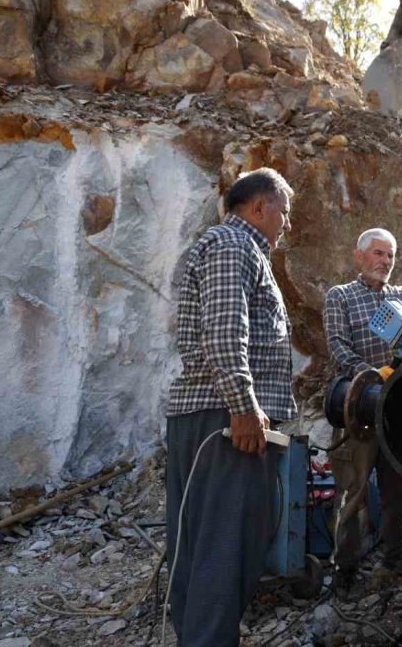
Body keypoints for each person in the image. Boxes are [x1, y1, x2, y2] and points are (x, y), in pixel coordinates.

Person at [164, 167, 296, 646]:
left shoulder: (234, 248)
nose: (286, 225)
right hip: (224, 424)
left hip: (210, 419)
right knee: (225, 549)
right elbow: (225, 333)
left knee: (202, 549)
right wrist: (243, 408)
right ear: (260, 207)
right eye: (284, 213)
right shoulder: (234, 246)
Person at [323, 229, 402, 591]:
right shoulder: (340, 297)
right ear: (359, 256)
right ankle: (344, 569)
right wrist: (372, 377)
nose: (385, 262)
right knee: (353, 490)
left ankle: (394, 556)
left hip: (397, 409)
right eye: (378, 253)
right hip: (357, 409)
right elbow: (337, 348)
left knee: (397, 488)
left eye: (390, 256)